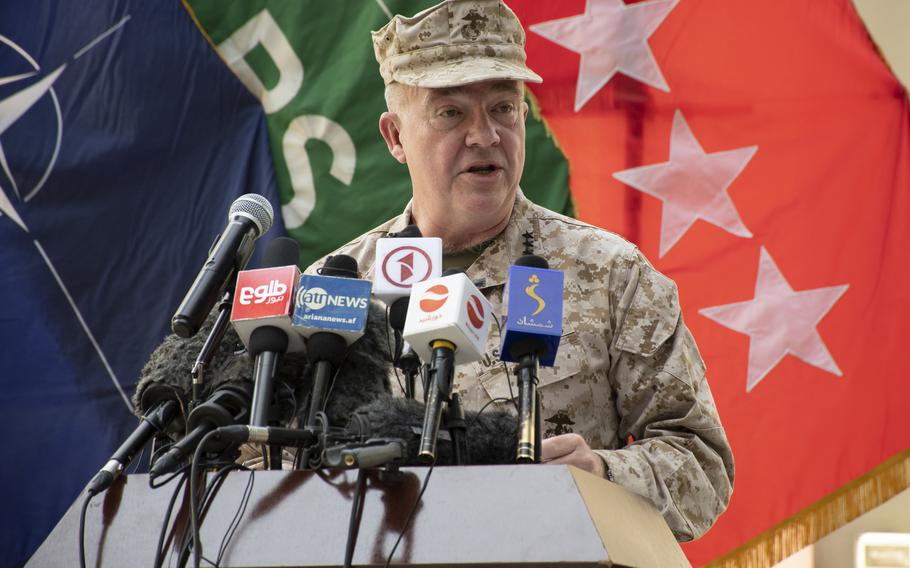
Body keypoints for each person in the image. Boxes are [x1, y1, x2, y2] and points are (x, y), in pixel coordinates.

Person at [306, 0, 734, 541]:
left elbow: (701, 464)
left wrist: (602, 474)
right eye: (450, 112)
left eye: (504, 108)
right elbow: (259, 465)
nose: (484, 135)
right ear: (394, 137)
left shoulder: (613, 276)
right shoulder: (336, 288)